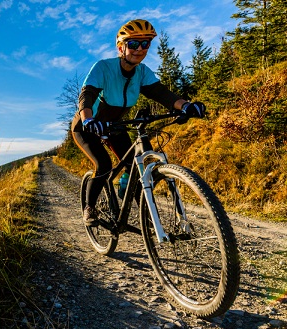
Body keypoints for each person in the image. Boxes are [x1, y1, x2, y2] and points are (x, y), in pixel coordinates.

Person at [71, 19, 206, 226]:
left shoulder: (142, 72)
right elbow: (87, 94)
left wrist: (186, 106)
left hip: (115, 127)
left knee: (137, 165)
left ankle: (144, 215)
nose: (139, 49)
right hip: (87, 127)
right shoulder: (103, 68)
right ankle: (89, 208)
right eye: (133, 44)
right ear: (120, 47)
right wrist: (88, 118)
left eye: (145, 44)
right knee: (104, 165)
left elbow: (162, 94)